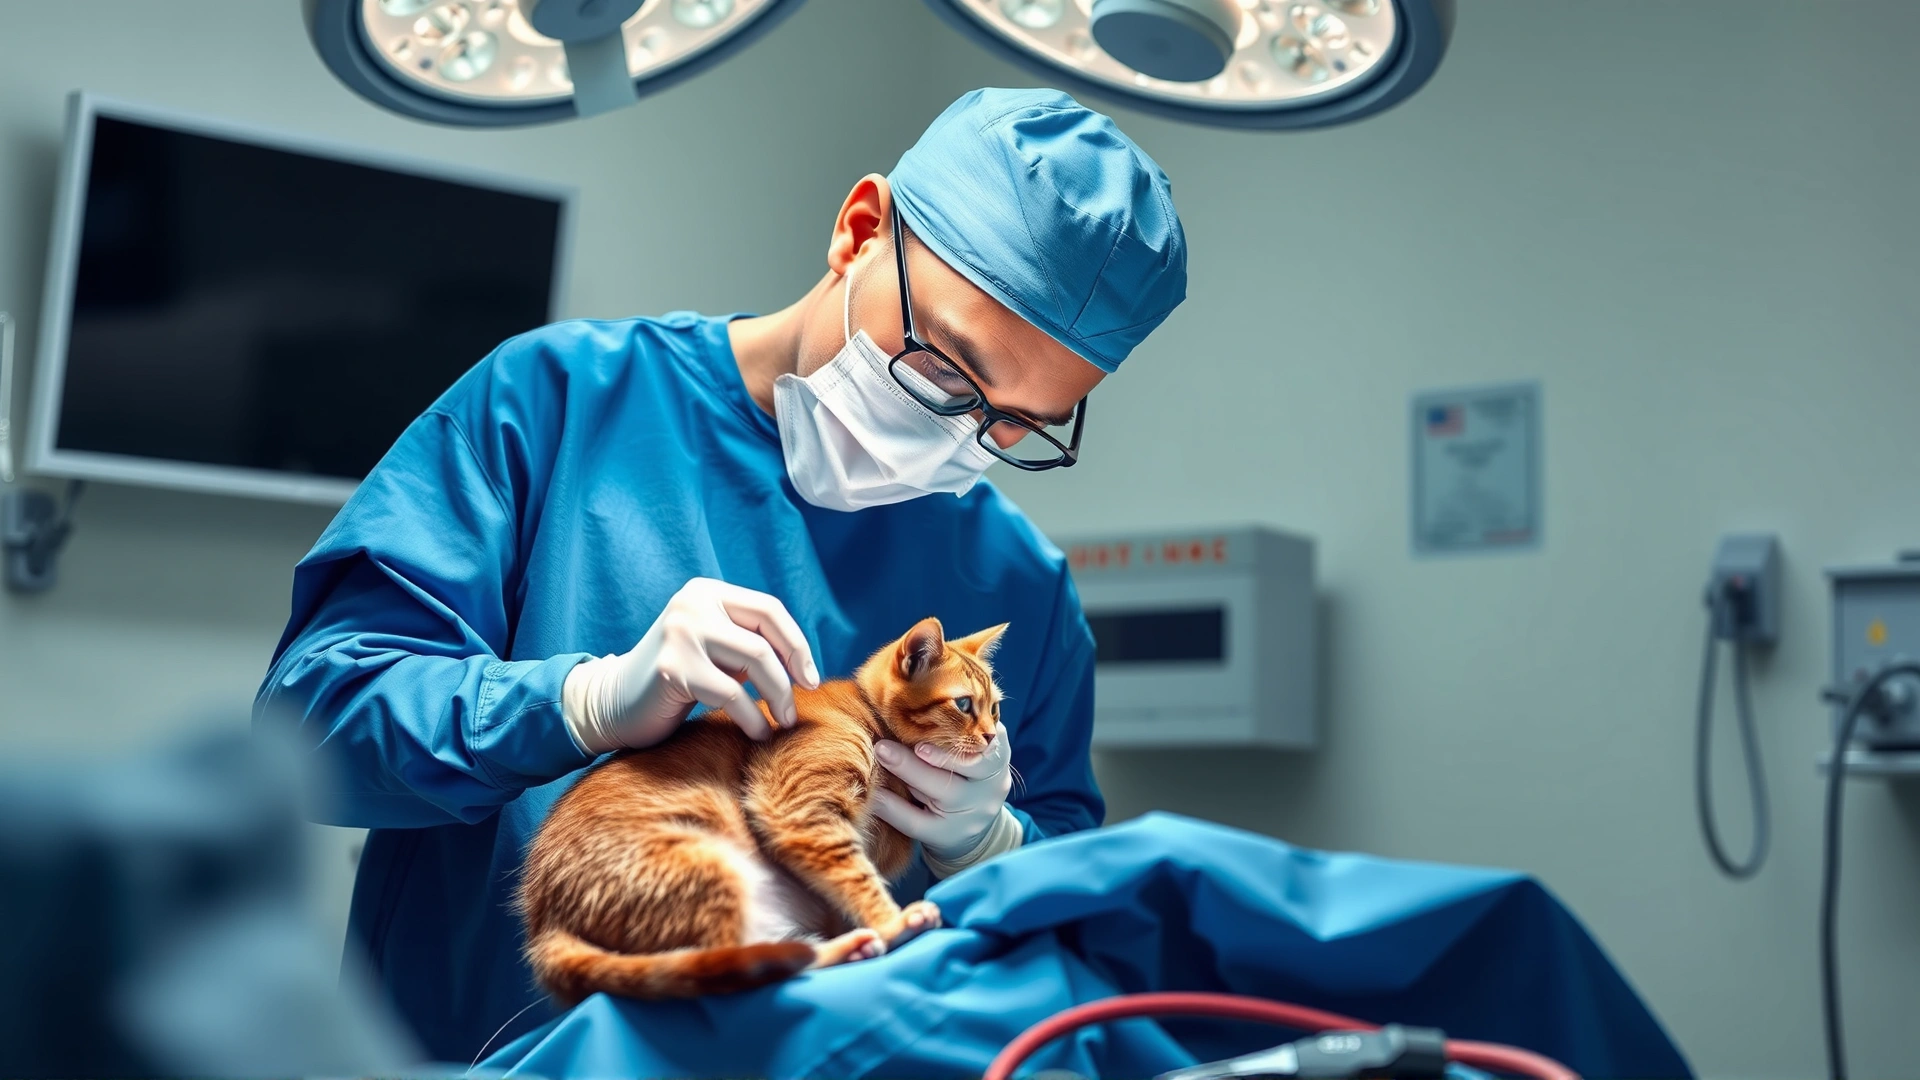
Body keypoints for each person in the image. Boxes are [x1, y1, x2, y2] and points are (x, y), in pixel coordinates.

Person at [256, 87, 1187, 1062]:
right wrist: (582, 703)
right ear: (859, 230)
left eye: (1018, 424)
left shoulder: (1018, 587)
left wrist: (990, 845)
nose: (961, 436)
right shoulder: (559, 404)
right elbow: (308, 729)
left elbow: (1076, 928)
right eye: (945, 368)